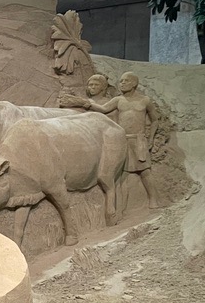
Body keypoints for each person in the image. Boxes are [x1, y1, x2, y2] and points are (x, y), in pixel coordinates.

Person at [64, 71, 159, 208]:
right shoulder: (118, 100)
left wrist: (150, 139)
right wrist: (86, 104)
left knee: (145, 171)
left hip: (138, 140)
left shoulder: (145, 100)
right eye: (121, 81)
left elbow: (155, 120)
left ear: (134, 83)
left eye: (126, 81)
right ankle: (122, 206)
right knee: (121, 174)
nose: (122, 83)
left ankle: (153, 199)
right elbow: (103, 109)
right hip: (122, 140)